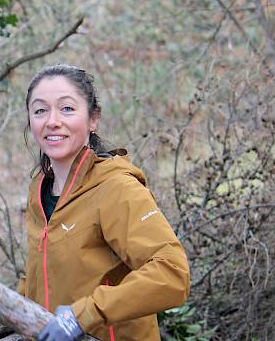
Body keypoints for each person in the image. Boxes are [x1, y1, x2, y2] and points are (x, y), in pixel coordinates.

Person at [17, 64, 190, 341]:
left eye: (67, 109)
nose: (52, 121)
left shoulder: (116, 188)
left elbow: (172, 273)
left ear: (93, 119)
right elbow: (41, 281)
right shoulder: (39, 194)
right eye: (40, 110)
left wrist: (84, 314)